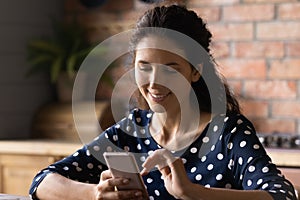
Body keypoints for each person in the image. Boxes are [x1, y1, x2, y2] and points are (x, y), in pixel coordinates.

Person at [29, 4, 297, 200]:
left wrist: (192, 193)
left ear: (196, 70)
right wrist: (95, 193)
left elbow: (282, 195)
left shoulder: (228, 132)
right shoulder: (131, 130)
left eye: (171, 68)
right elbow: (42, 182)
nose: (155, 82)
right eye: (144, 67)